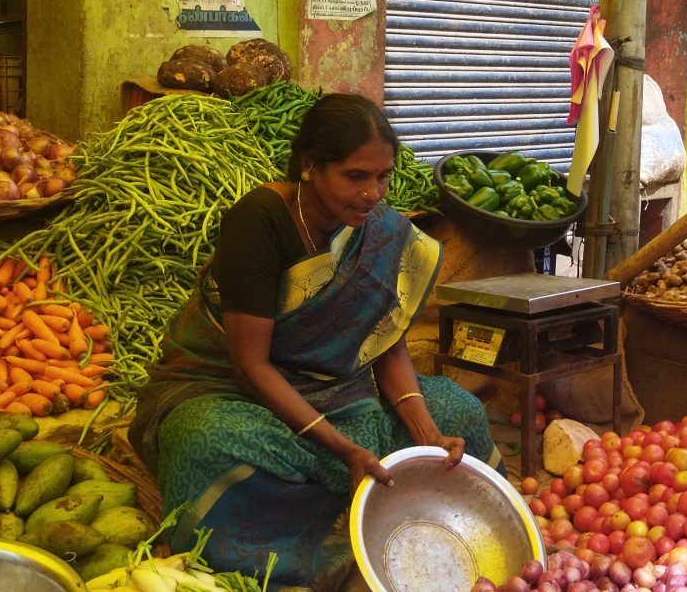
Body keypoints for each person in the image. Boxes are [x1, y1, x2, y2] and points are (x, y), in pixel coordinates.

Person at [131, 93, 496, 590]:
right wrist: (345, 450)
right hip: (236, 387)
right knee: (206, 444)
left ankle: (405, 523)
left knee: (460, 412)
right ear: (310, 166)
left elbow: (382, 340)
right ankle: (316, 554)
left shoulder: (381, 230)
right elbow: (250, 365)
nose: (373, 194)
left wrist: (427, 435)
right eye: (355, 176)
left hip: (339, 387)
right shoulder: (259, 221)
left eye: (383, 176)